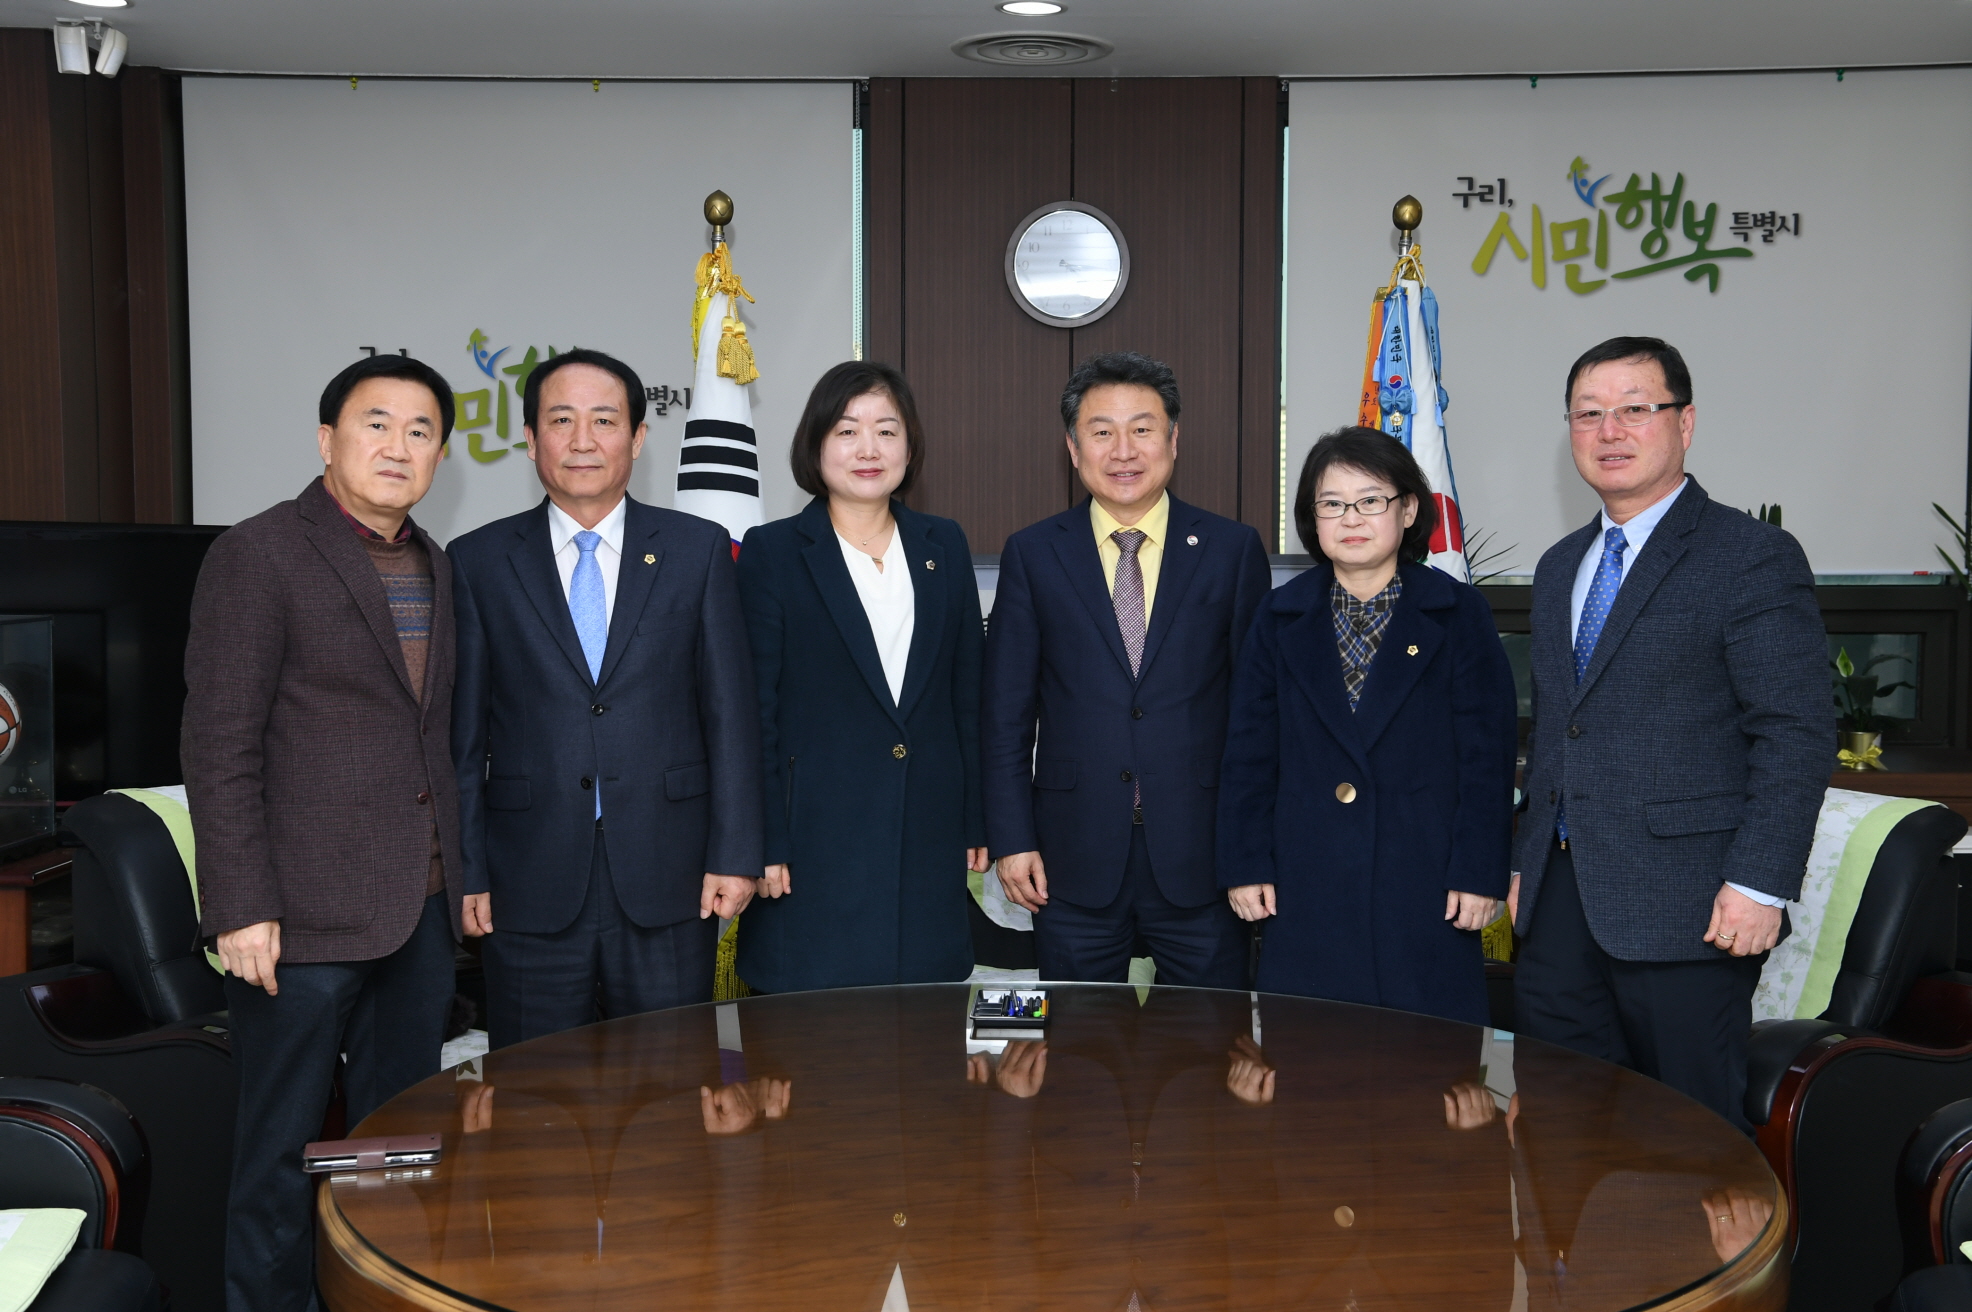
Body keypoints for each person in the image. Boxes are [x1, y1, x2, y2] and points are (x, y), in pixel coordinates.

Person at [182, 353, 463, 1310]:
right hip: (295, 925)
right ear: (326, 440)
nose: (398, 446)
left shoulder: (438, 562)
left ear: (440, 456)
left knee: (393, 1159)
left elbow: (434, 740)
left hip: (416, 913)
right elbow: (220, 742)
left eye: (421, 431)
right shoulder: (258, 554)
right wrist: (242, 906)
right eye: (376, 423)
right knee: (279, 1158)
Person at [1510, 335, 1829, 1130]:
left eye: (1635, 410)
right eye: (1589, 414)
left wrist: (1759, 883)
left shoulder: (1749, 556)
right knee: (1558, 1132)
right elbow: (1558, 731)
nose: (1609, 430)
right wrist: (1520, 862)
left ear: (1684, 424)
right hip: (1557, 909)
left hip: (1690, 910)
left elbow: (1794, 730)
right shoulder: (1560, 566)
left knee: (1687, 1142)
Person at [450, 348, 762, 1050]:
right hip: (526, 880)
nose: (583, 440)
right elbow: (462, 739)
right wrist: (467, 868)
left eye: (604, 420)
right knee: (535, 1098)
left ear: (639, 439)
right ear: (530, 439)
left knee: (669, 1092)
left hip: (671, 873)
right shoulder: (477, 561)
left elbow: (730, 716)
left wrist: (735, 851)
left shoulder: (698, 549)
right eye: (562, 420)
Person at [982, 351, 1271, 987]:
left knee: (1203, 1059)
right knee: (1080, 1064)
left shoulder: (1231, 549)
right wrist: (1010, 837)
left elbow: (1259, 716)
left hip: (1203, 854)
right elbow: (1004, 716)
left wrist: (1253, 845)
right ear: (1072, 445)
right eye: (1101, 430)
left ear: (1173, 439)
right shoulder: (1033, 553)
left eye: (1142, 428)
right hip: (1069, 855)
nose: (1123, 450)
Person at [1217, 426, 1517, 1025]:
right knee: (1310, 1077)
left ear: (1407, 509)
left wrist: (1479, 871)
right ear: (1313, 518)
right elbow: (1249, 752)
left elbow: (1487, 756)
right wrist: (1245, 861)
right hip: (1307, 884)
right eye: (1332, 504)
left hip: (1425, 883)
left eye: (1370, 499)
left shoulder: (1458, 614)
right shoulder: (1280, 616)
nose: (1350, 518)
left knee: (1431, 1080)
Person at [734, 361, 988, 991]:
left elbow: (968, 694)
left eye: (886, 430)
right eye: (847, 431)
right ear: (816, 445)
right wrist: (761, 838)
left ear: (910, 444)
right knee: (817, 1056)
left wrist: (979, 819)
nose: (868, 449)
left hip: (927, 837)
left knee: (923, 1041)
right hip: (811, 845)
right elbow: (751, 712)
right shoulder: (772, 552)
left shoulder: (944, 544)